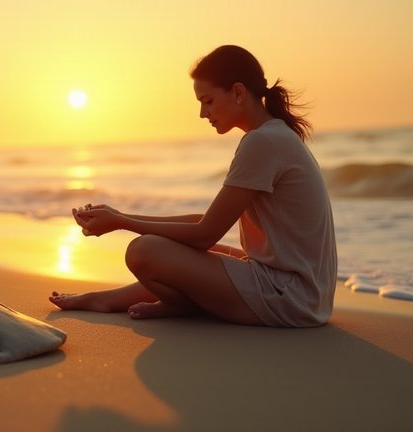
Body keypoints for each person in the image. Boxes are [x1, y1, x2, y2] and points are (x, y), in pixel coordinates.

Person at [49, 45, 337, 328]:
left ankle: (180, 304)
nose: (202, 113)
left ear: (238, 92)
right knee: (205, 252)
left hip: (287, 298)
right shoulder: (274, 135)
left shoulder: (262, 141)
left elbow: (202, 235)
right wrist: (118, 215)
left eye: (208, 101)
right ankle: (109, 299)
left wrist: (122, 222)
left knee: (144, 251)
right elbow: (205, 224)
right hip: (305, 295)